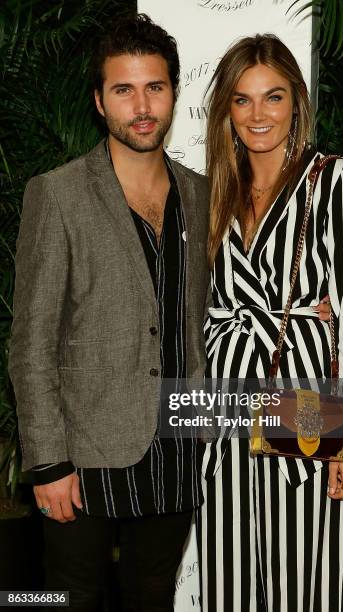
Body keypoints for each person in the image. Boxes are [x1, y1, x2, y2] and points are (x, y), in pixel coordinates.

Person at [8, 14, 210, 612]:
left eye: (155, 87)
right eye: (124, 90)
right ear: (100, 101)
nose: (142, 106)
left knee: (152, 594)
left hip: (179, 440)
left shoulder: (201, 193)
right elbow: (31, 341)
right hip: (84, 445)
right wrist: (47, 462)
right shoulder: (58, 193)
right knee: (68, 597)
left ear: (174, 91)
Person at [197, 34, 343, 611]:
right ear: (226, 108)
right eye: (242, 100)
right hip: (225, 402)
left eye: (272, 97)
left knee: (303, 578)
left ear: (296, 101)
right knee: (227, 577)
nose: (258, 115)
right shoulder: (217, 191)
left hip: (302, 396)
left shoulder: (333, 180)